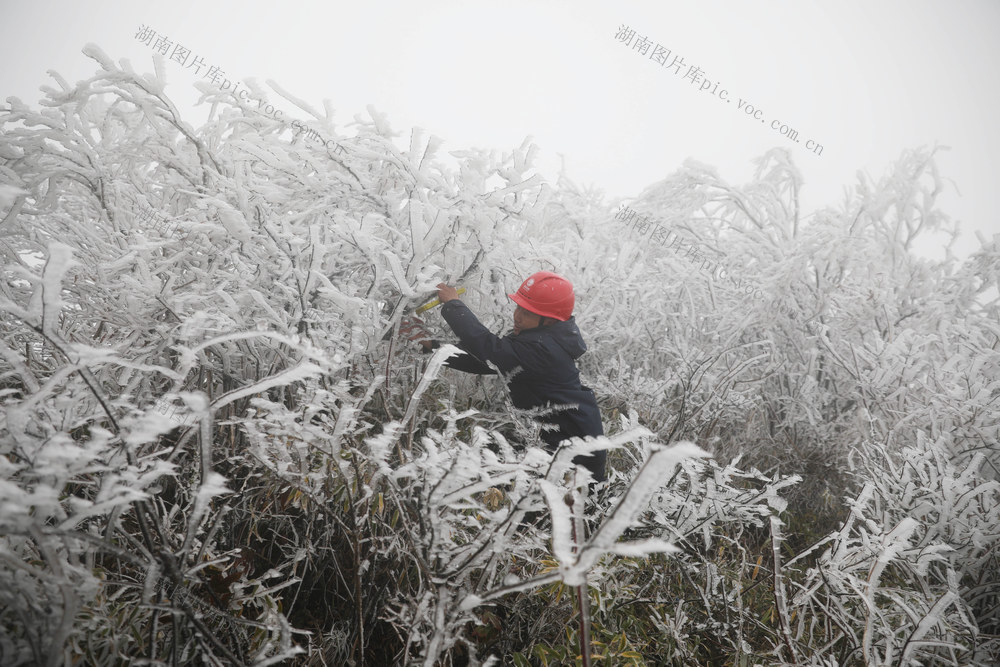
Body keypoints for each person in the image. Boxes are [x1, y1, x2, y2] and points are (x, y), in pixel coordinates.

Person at [402, 271, 606, 483]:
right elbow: (486, 362)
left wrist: (453, 305)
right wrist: (430, 344)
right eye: (518, 307)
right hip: (557, 445)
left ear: (548, 321)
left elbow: (488, 349)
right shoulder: (541, 340)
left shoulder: (543, 349)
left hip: (575, 457)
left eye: (527, 312)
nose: (517, 316)